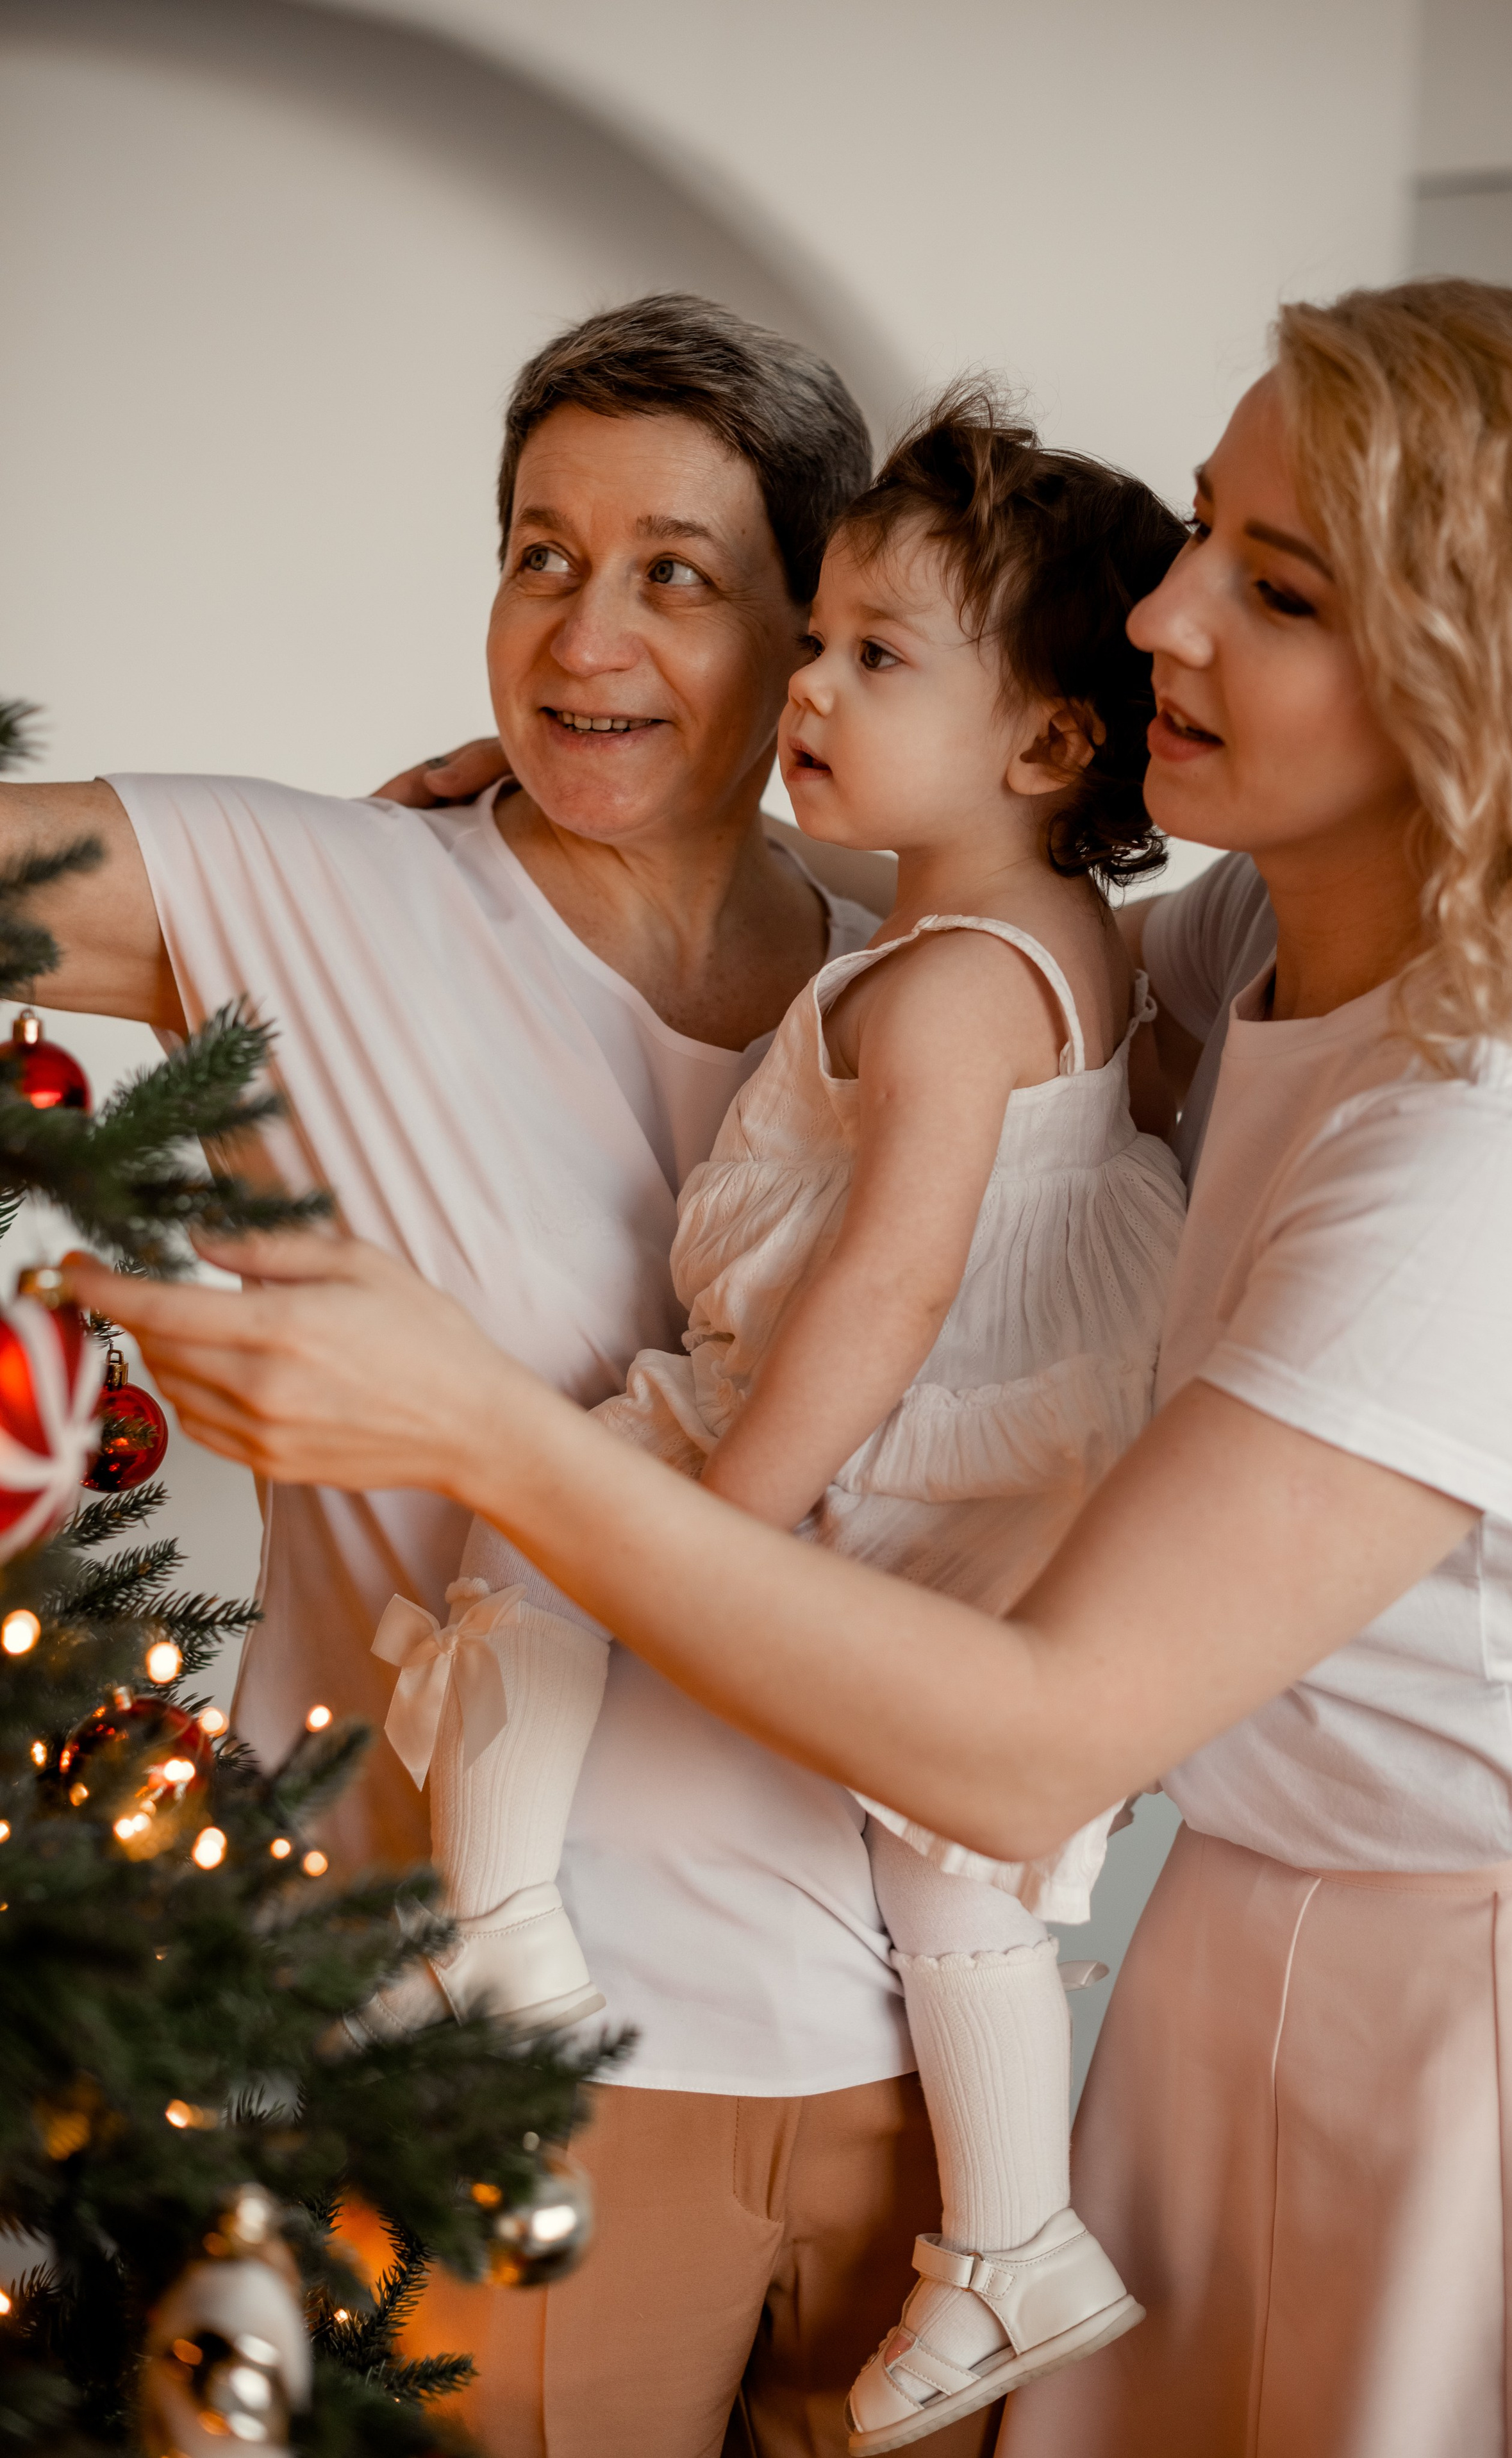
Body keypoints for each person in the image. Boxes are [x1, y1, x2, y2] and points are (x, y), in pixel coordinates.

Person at [99, 277, 1512, 2457]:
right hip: (1206, 1971)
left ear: (1479, 681)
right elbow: (993, 931)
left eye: (1275, 588)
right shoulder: (1266, 942)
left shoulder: (1490, 1164)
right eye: (1200, 528)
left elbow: (1033, 1736)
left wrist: (489, 1433)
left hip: (1448, 2031)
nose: (1161, 614)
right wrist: (586, 791)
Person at [3, 293, 1018, 2458]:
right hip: (491, 2069)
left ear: (813, 625)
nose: (583, 633)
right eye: (540, 555)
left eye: (674, 572)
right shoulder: (320, 891)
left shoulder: (925, 989)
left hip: (922, 2076)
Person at [350, 392, 1186, 2451]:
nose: (807, 687)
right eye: (812, 639)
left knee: (545, 1521)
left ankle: (501, 1926)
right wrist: (523, 799)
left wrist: (715, 1532)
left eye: (874, 657)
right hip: (1017, 1464)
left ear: (1049, 745)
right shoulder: (1060, 936)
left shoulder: (946, 986)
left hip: (860, 1428)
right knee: (958, 1869)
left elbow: (885, 1285)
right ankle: (1013, 2237)